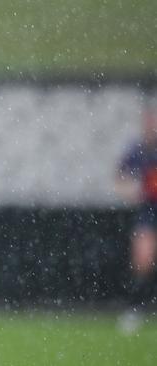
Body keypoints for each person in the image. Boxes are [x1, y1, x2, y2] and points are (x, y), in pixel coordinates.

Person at [115, 105, 157, 334]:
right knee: (142, 259)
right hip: (149, 211)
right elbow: (120, 177)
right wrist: (130, 191)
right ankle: (135, 308)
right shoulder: (138, 150)